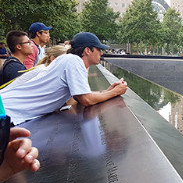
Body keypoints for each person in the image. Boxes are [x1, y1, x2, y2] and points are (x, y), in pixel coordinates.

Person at [0, 32, 128, 125]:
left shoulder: (68, 60)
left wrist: (106, 92)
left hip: (8, 110)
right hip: (6, 110)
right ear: (88, 50)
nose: (101, 53)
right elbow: (86, 100)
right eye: (99, 49)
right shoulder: (73, 61)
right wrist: (115, 92)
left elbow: (79, 96)